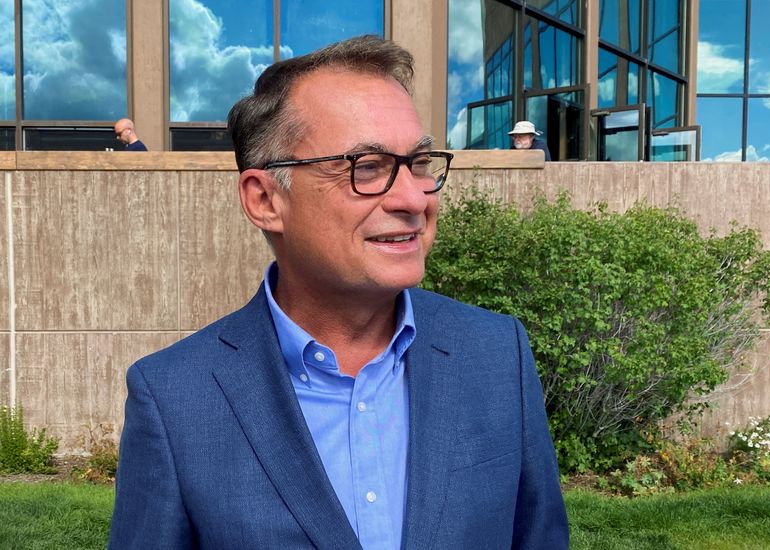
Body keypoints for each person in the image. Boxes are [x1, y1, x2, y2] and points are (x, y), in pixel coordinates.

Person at [108, 36, 568, 549]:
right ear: (264, 199)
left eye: (418, 163)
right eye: (366, 167)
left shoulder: (496, 352)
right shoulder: (176, 399)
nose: (414, 197)